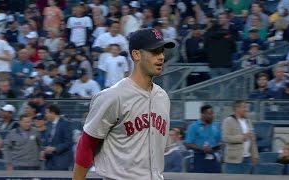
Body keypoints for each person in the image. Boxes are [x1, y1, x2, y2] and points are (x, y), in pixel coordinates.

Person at [73, 28, 175, 180]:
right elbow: (86, 145)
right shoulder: (113, 96)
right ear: (136, 54)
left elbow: (161, 149)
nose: (161, 57)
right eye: (154, 51)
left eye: (162, 52)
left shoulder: (163, 98)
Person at [222, 100, 259, 172]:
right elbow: (226, 138)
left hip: (247, 158)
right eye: (244, 107)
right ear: (237, 108)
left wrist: (255, 155)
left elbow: (252, 140)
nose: (246, 109)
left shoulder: (248, 121)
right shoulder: (228, 121)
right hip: (234, 160)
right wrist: (243, 137)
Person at [185, 105, 221, 173]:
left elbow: (219, 141)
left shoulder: (215, 126)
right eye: (210, 114)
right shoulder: (193, 127)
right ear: (203, 114)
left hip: (213, 158)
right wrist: (202, 148)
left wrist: (217, 146)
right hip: (199, 158)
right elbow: (187, 144)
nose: (212, 115)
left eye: (213, 113)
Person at [42, 104, 73, 170]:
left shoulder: (65, 124)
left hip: (61, 162)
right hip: (49, 163)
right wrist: (43, 150)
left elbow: (68, 143)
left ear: (52, 113)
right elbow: (48, 141)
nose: (45, 115)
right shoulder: (48, 124)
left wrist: (54, 149)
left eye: (46, 113)